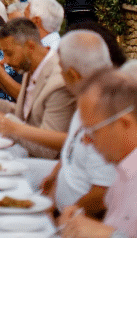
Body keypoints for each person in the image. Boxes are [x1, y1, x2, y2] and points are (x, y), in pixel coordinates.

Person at [0, 18, 75, 158]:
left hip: (46, 162)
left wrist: (8, 123)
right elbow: (28, 115)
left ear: (30, 47)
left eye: (9, 53)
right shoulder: (31, 66)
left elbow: (48, 151)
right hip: (26, 151)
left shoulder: (58, 82)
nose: (4, 60)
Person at [37, 31, 116, 216]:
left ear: (72, 74)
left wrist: (67, 218)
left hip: (77, 225)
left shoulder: (105, 111)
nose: (61, 77)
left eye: (61, 70)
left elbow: (102, 193)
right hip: (58, 209)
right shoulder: (89, 96)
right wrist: (55, 174)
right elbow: (73, 147)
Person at [59, 68, 137, 237]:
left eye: (92, 131)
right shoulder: (123, 169)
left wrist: (107, 235)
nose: (85, 140)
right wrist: (81, 219)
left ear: (124, 123)